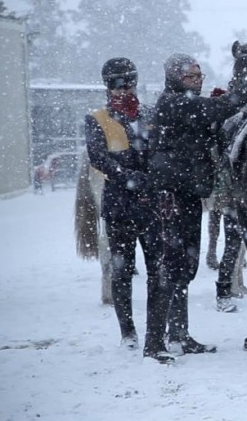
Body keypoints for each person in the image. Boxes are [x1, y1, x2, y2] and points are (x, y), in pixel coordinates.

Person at [146, 53, 247, 362]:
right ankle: (153, 343)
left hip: (189, 193)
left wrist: (218, 109)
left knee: (185, 267)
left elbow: (212, 118)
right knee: (169, 268)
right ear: (175, 78)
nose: (197, 81)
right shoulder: (172, 102)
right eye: (191, 77)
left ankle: (179, 335)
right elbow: (217, 109)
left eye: (200, 76)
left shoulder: (188, 104)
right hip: (170, 196)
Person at [84, 57, 162, 351]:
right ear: (107, 86)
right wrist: (129, 177)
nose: (123, 89)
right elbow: (98, 157)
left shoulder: (150, 115)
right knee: (122, 270)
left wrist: (152, 178)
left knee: (157, 270)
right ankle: (127, 331)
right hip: (120, 205)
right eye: (116, 84)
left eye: (128, 83)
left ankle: (156, 328)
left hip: (152, 205)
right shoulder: (98, 119)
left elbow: (160, 150)